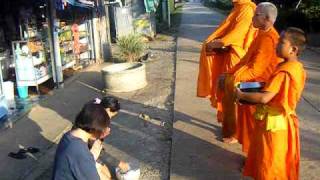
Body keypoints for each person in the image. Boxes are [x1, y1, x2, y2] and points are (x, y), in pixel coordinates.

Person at [236, 27, 306, 180]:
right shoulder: (297, 67)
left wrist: (241, 95)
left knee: (269, 160)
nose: (276, 44)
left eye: (281, 42)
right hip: (284, 120)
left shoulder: (284, 71)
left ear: (293, 49)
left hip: (274, 124)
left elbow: (264, 98)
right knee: (280, 158)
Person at [217, 2, 281, 146]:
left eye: (256, 15)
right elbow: (245, 60)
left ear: (267, 18)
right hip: (252, 79)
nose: (252, 18)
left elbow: (257, 70)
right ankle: (238, 134)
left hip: (262, 84)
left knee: (253, 120)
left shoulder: (269, 38)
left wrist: (234, 79)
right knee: (229, 85)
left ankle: (251, 153)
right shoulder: (261, 34)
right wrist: (229, 73)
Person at [197, 0, 257, 109]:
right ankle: (227, 119)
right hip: (230, 53)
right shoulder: (237, 8)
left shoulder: (246, 9)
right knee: (226, 89)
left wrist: (217, 43)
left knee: (232, 90)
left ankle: (234, 123)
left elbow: (237, 34)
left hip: (237, 57)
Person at [52, 99, 128, 180]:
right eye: (103, 128)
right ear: (95, 129)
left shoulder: (69, 136)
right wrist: (91, 156)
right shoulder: (80, 152)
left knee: (107, 176)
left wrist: (92, 155)